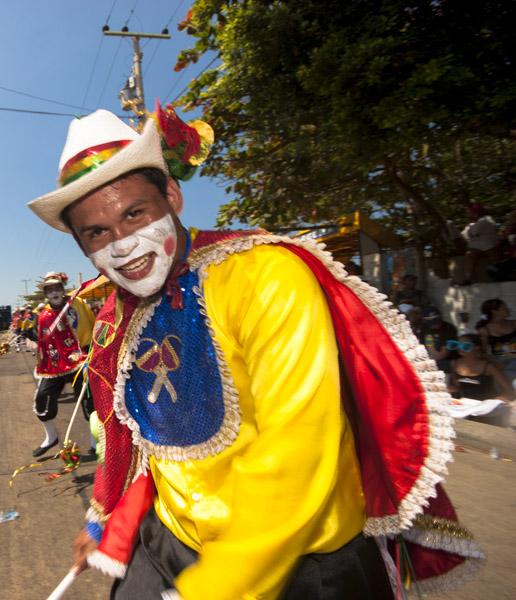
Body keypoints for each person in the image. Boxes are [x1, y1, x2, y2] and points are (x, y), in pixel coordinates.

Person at [26, 107, 481, 598]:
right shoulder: (117, 316)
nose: (122, 245)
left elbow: (295, 456)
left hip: (297, 562)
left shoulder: (264, 276)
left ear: (172, 197)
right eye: (97, 233)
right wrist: (101, 522)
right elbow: (125, 439)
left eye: (134, 213)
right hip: (167, 542)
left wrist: (216, 585)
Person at [30, 272, 94, 457]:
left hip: (79, 360)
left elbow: (93, 325)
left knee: (89, 400)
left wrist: (91, 351)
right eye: (50, 290)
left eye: (57, 288)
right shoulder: (43, 316)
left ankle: (94, 441)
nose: (54, 293)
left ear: (62, 289)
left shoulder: (78, 303)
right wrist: (41, 363)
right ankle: (51, 437)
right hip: (54, 365)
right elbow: (42, 341)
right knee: (41, 398)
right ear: (46, 294)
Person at [448, 334, 515, 402]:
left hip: (486, 405)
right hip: (465, 405)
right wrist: (444, 389)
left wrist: (501, 398)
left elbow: (509, 389)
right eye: (457, 345)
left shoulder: (488, 366)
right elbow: (457, 387)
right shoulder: (454, 363)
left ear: (477, 347)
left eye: (465, 346)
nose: (460, 348)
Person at [476, 298, 516, 387]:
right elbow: (482, 352)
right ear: (494, 312)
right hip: (500, 362)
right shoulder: (485, 330)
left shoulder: (514, 323)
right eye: (504, 308)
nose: (508, 310)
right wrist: (495, 362)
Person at [416, 306, 458, 373]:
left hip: (446, 362)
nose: (435, 325)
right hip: (429, 360)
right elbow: (422, 346)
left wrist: (427, 362)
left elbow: (444, 354)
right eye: (431, 323)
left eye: (437, 321)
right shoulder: (424, 328)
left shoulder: (449, 328)